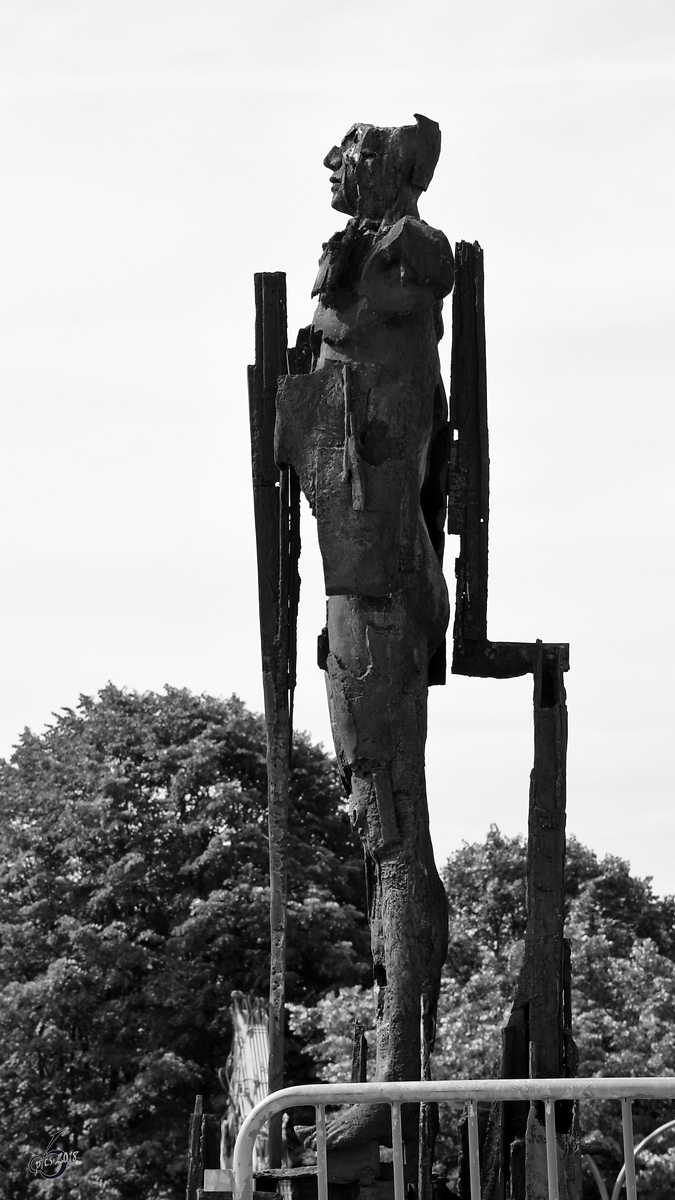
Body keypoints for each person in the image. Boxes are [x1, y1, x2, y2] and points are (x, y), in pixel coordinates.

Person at [275, 116, 453, 1149]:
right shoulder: (371, 259)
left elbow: (413, 281)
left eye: (351, 148)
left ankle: (394, 1089)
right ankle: (394, 1077)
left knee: (391, 837)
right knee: (382, 827)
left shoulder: (408, 256)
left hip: (377, 579)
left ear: (391, 168)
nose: (329, 162)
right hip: (358, 573)